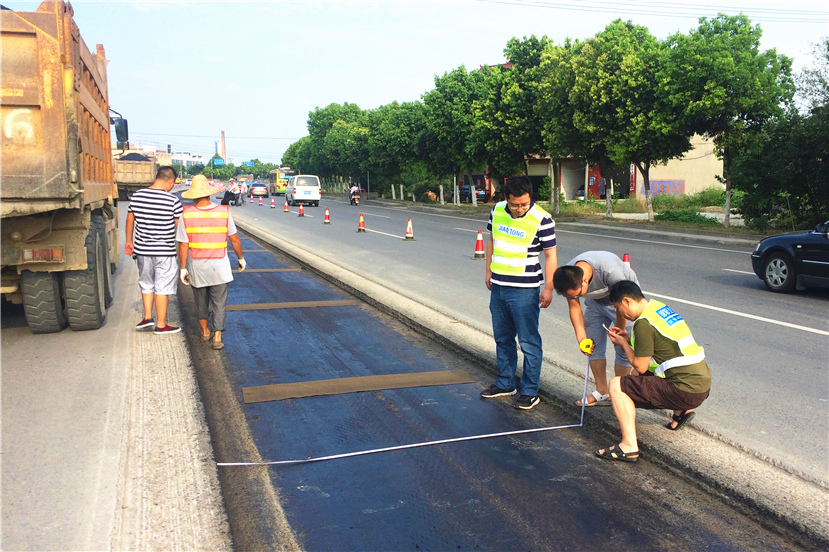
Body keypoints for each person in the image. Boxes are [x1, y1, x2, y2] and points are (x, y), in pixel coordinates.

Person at [596, 280, 712, 462]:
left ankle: (629, 446)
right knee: (639, 377)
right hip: (702, 384)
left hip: (686, 391)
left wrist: (623, 344)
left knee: (617, 385)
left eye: (619, 309)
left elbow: (640, 365)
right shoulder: (658, 309)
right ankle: (681, 413)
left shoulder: (643, 324)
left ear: (627, 301)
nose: (621, 314)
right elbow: (660, 347)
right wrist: (629, 339)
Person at [482, 176, 557, 410]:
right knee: (502, 338)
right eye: (515, 204)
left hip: (525, 290)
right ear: (506, 198)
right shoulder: (497, 211)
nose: (520, 208)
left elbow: (550, 255)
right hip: (499, 286)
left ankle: (530, 390)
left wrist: (549, 287)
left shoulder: (542, 219)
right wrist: (488, 271)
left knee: (528, 341)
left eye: (525, 204)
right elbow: (492, 240)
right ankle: (505, 383)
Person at [552, 252, 639, 406]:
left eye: (578, 294)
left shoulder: (611, 272)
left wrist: (619, 330)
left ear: (585, 281)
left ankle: (619, 392)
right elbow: (575, 308)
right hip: (596, 302)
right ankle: (602, 390)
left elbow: (622, 306)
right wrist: (581, 339)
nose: (575, 297)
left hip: (624, 301)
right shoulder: (568, 277)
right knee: (593, 343)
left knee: (623, 347)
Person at [177, 175, 246, 350]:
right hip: (220, 266)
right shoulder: (223, 212)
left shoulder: (186, 214)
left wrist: (183, 267)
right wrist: (240, 258)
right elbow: (235, 239)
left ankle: (205, 331)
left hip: (197, 266)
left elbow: (183, 244)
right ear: (209, 193)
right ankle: (217, 337)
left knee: (200, 301)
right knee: (219, 303)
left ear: (193, 195)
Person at [124, 166, 183, 334]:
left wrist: (129, 241)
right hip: (165, 251)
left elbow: (130, 220)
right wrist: (184, 250)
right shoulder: (172, 200)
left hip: (142, 250)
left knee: (146, 283)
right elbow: (180, 229)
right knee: (162, 286)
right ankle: (161, 324)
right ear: (171, 181)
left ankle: (148, 317)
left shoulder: (137, 196)